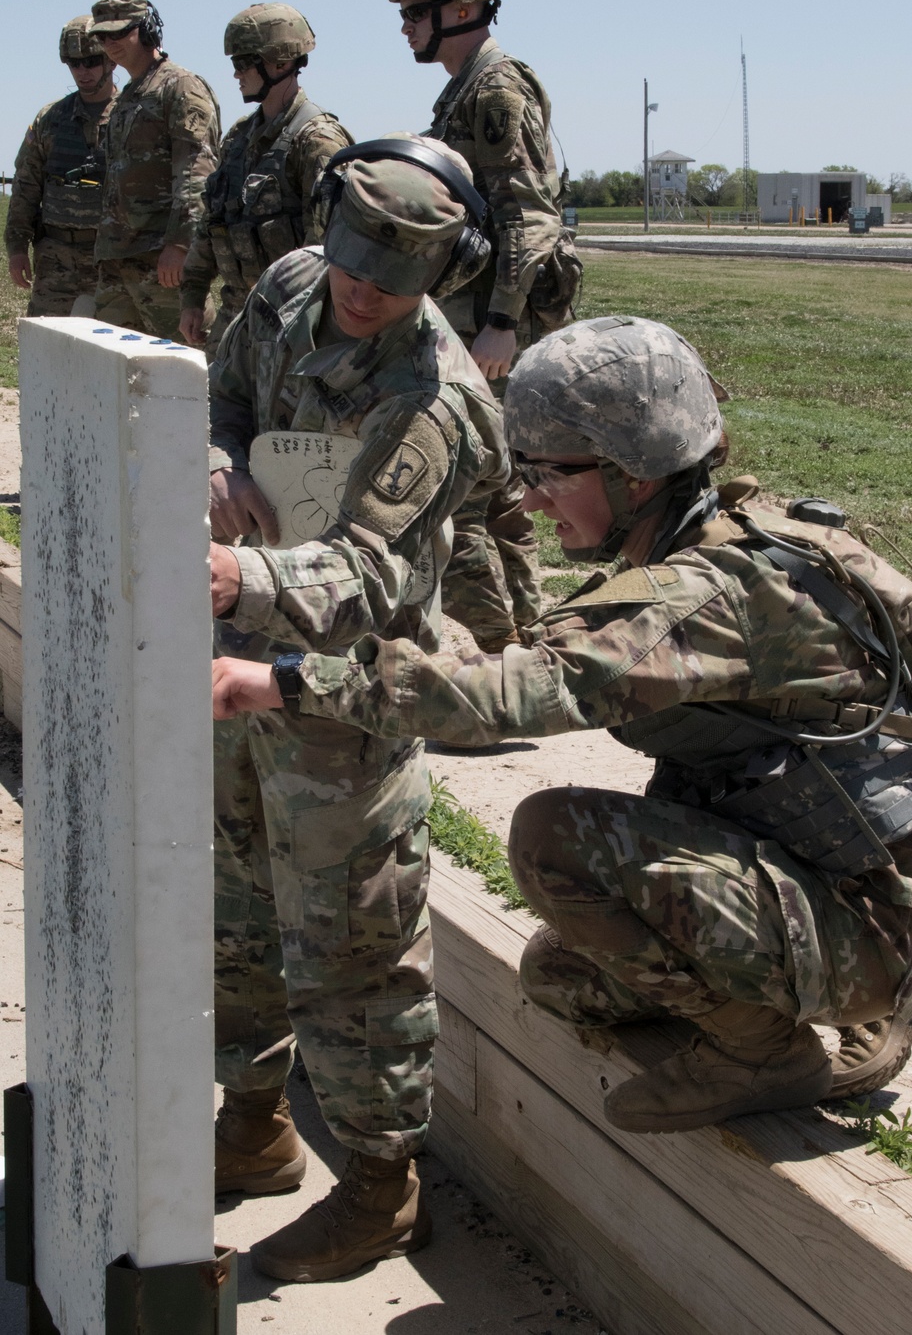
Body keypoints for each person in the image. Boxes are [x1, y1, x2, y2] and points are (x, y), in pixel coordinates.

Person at [214, 315, 912, 1133]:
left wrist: (287, 681)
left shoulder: (701, 601)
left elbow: (506, 695)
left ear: (635, 474)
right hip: (869, 890)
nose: (530, 497)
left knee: (556, 840)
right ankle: (854, 1000)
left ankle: (771, 1045)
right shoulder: (767, 537)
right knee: (561, 973)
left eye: (551, 472)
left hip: (864, 921)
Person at [207, 136, 509, 1280]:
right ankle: (256, 1126)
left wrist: (247, 581)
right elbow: (228, 386)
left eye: (394, 274)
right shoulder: (291, 284)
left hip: (343, 700)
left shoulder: (429, 398)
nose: (362, 286)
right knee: (233, 903)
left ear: (442, 271)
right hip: (237, 666)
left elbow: (382, 580)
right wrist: (218, 456)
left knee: (351, 947)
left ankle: (381, 1190)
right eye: (352, 258)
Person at [387, 0, 583, 653]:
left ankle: (493, 660)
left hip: (488, 328)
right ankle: (525, 643)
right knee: (496, 494)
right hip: (474, 322)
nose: (404, 22)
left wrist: (501, 322)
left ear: (462, 5)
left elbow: (528, 215)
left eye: (416, 8)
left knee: (462, 492)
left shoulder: (494, 89)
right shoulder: (467, 86)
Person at [180, 3, 354, 361]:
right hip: (234, 323)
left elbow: (330, 245)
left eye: (243, 63)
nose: (236, 75)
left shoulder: (318, 140)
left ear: (279, 62)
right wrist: (193, 298)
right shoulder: (238, 139)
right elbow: (211, 224)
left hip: (291, 324)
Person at [88, 0, 220, 338]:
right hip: (118, 260)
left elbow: (197, 172)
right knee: (117, 372)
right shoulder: (127, 96)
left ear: (146, 30)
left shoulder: (180, 87)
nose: (109, 43)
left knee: (181, 370)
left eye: (118, 33)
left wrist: (179, 245)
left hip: (161, 263)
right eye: (102, 36)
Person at [5, 16, 116, 315]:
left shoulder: (132, 117)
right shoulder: (50, 119)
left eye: (91, 61)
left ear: (111, 61)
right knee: (48, 347)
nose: (82, 71)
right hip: (55, 261)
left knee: (113, 351)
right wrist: (17, 247)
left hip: (112, 261)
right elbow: (26, 186)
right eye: (74, 63)